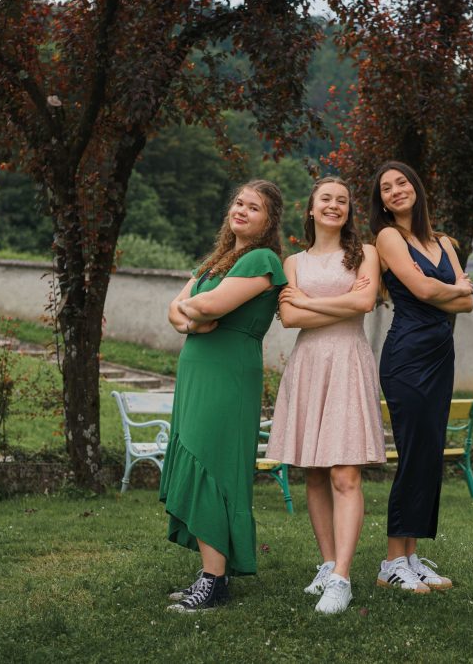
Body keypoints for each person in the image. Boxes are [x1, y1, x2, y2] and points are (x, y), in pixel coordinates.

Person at [159, 179, 287, 613]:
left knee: (212, 464)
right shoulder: (217, 260)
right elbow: (175, 310)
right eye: (239, 202)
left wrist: (194, 313)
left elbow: (208, 306)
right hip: (198, 370)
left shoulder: (262, 259)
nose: (242, 210)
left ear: (269, 221)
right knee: (196, 457)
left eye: (254, 207)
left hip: (228, 372)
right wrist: (191, 321)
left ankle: (214, 581)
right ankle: (212, 572)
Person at [267, 177, 385, 615]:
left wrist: (309, 303)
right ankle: (328, 563)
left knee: (345, 474)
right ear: (311, 209)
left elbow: (364, 303)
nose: (335, 205)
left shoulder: (366, 253)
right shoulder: (293, 262)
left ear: (349, 210)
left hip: (348, 362)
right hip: (310, 364)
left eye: (342, 200)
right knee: (314, 472)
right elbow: (287, 316)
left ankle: (342, 580)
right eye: (326, 199)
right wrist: (339, 301)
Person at [369, 161, 473, 593]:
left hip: (440, 356)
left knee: (429, 454)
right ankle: (391, 562)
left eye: (402, 182)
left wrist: (453, 294)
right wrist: (456, 289)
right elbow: (427, 290)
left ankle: (411, 558)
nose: (396, 190)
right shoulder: (388, 237)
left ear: (416, 187)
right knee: (413, 454)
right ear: (382, 201)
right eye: (386, 188)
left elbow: (468, 304)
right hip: (406, 357)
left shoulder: (444, 242)